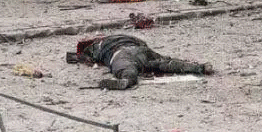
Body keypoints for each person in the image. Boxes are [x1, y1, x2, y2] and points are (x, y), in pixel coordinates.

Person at [70, 34, 214, 90]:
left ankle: (126, 80)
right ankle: (199, 67)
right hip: (140, 50)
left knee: (127, 69)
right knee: (165, 63)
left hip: (121, 53)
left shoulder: (99, 46)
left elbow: (85, 57)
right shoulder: (125, 36)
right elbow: (144, 44)